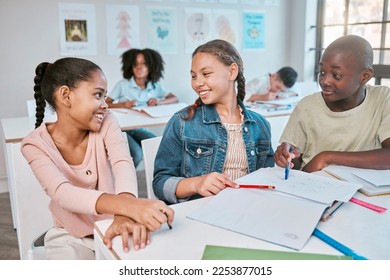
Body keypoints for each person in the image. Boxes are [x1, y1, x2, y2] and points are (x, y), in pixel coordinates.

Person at [21, 57, 174, 259]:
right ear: (66, 96)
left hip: (117, 222)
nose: (105, 105)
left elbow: (123, 163)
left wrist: (124, 213)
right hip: (69, 236)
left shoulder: (107, 121)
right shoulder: (34, 144)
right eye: (98, 95)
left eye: (105, 96)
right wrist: (129, 206)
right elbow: (63, 193)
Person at [153, 39, 275, 204]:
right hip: (200, 215)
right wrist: (196, 184)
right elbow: (160, 183)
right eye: (193, 76)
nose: (197, 83)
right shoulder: (182, 122)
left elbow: (268, 179)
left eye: (206, 74)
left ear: (232, 72)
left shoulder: (260, 125)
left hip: (247, 211)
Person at [274, 35, 390, 173]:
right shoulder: (306, 107)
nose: (325, 81)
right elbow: (296, 165)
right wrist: (289, 155)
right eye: (322, 72)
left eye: (336, 75)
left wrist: (326, 157)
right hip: (317, 186)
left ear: (365, 76)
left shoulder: (382, 98)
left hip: (365, 191)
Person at [106, 48, 178, 168]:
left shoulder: (155, 86)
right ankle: (123, 181)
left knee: (160, 146)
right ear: (131, 67)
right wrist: (123, 105)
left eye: (143, 63)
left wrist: (159, 102)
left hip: (139, 129)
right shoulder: (123, 85)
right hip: (122, 129)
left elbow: (174, 98)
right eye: (135, 64)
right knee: (137, 154)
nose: (139, 67)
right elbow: (105, 103)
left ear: (151, 66)